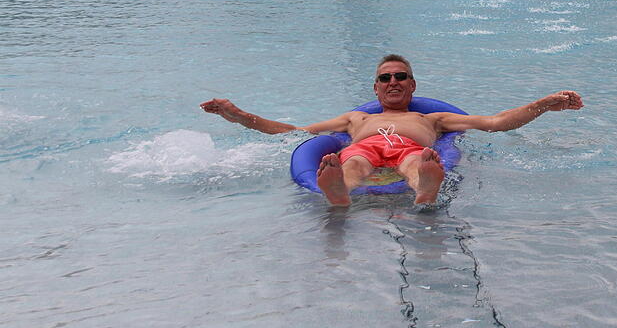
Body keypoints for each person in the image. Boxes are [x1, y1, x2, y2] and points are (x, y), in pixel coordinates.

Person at [201, 54, 584, 206]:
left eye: (401, 77)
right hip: (364, 146)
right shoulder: (355, 120)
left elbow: (496, 123)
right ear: (376, 88)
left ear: (413, 85)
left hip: (409, 147)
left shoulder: (433, 120)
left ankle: (425, 189)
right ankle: (339, 193)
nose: (393, 82)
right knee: (350, 163)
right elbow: (292, 132)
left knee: (418, 161)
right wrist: (236, 114)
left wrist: (543, 104)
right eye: (385, 78)